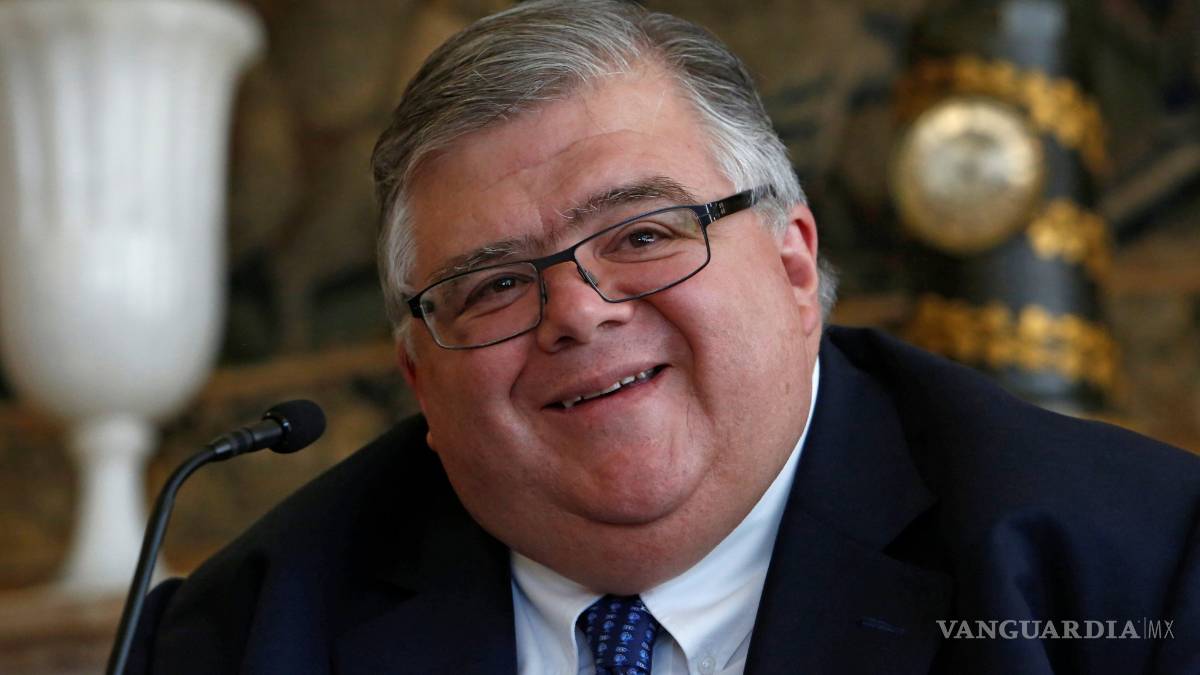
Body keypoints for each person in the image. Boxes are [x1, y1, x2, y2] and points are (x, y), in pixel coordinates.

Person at [129, 1, 1200, 673]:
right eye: (492, 285)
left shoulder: (1127, 571)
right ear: (420, 378)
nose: (578, 310)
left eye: (643, 234)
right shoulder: (240, 638)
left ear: (793, 263)